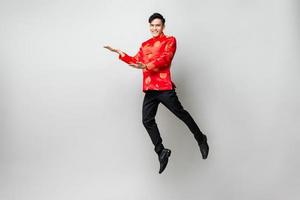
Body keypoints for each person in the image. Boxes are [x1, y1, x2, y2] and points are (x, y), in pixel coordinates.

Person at [104, 13, 209, 174]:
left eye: (158, 25)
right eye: (152, 25)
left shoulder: (170, 41)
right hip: (150, 89)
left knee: (181, 113)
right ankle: (161, 151)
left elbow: (166, 59)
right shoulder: (145, 44)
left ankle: (200, 138)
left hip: (164, 87)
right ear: (149, 26)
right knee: (147, 120)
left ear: (163, 27)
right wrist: (120, 53)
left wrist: (146, 66)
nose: (154, 28)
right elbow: (136, 61)